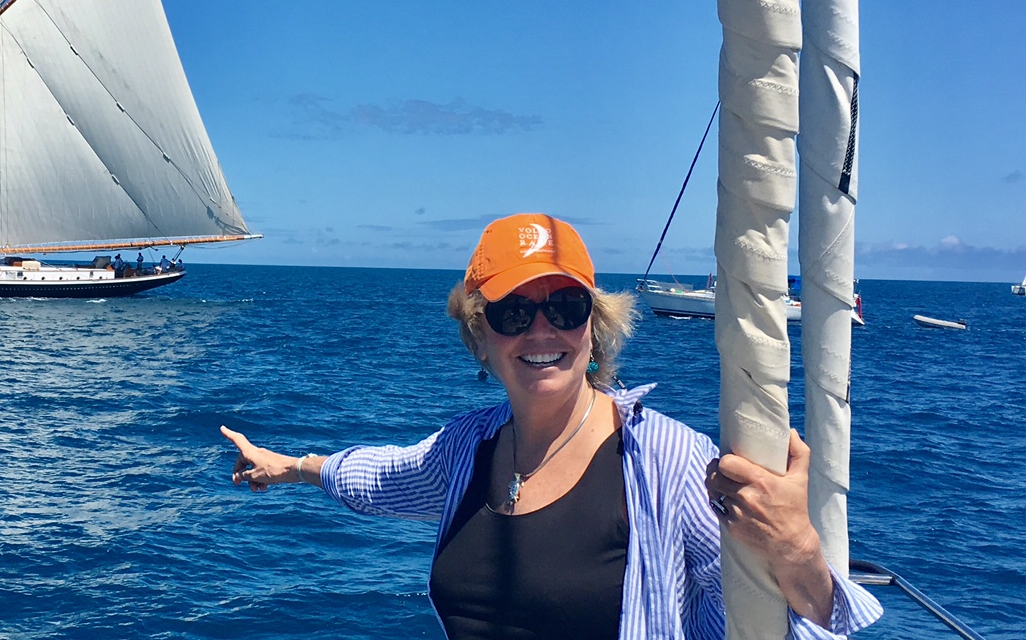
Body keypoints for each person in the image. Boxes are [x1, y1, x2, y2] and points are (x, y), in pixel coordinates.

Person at [222, 214, 882, 639]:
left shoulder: (664, 460)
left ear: (594, 329)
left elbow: (764, 622)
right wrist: (293, 468)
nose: (542, 330)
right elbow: (386, 474)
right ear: (481, 339)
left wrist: (799, 553)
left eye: (565, 307)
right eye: (513, 312)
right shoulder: (466, 448)